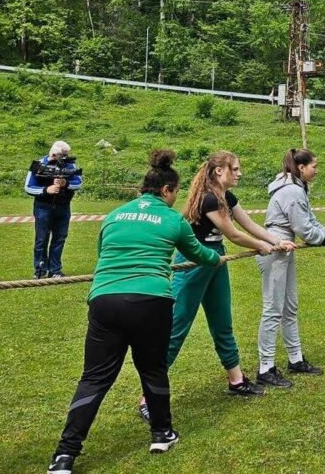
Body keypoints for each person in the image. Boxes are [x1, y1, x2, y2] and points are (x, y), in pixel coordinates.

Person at [47, 150, 223, 474]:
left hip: (105, 300)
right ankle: (161, 434)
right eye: (175, 192)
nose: (175, 198)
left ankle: (64, 455)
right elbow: (199, 254)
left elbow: (103, 255)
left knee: (94, 379)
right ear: (167, 190)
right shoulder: (173, 219)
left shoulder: (114, 216)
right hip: (151, 301)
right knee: (153, 369)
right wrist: (217, 258)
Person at [136, 152, 294, 418]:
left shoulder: (227, 197)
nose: (239, 173)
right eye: (235, 169)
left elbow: (249, 224)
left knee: (222, 321)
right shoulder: (209, 198)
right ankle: (147, 398)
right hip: (193, 262)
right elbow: (234, 234)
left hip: (216, 260)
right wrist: (262, 246)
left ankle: (236, 380)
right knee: (176, 327)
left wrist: (276, 241)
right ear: (219, 171)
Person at [256, 149, 325, 389]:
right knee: (273, 309)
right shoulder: (292, 190)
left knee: (290, 307)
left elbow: (311, 221)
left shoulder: (298, 189)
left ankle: (295, 359)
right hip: (275, 249)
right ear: (301, 167)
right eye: (314, 166)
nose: (316, 171)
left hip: (286, 248)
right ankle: (265, 368)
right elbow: (304, 230)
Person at [24, 140, 83, 278]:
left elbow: (78, 183)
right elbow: (28, 187)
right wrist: (46, 190)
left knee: (59, 238)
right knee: (41, 239)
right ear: (54, 153)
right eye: (63, 154)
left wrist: (65, 183)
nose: (65, 157)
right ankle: (40, 270)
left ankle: (55, 270)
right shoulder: (38, 165)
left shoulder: (71, 165)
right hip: (43, 207)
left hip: (63, 207)